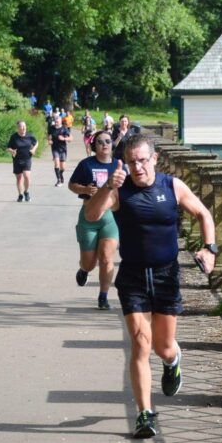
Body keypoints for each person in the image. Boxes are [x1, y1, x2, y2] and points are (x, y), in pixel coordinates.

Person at [85, 134, 217, 439]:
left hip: (166, 275)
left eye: (143, 160)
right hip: (132, 276)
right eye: (131, 162)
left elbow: (203, 214)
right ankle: (145, 414)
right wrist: (109, 186)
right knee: (141, 344)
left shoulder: (172, 186)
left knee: (163, 347)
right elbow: (91, 216)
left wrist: (210, 248)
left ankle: (173, 361)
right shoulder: (119, 190)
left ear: (154, 159)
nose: (137, 167)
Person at [68, 131, 123, 310]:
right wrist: (84, 189)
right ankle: (84, 270)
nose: (104, 144)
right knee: (89, 262)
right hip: (89, 215)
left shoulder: (119, 166)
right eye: (100, 142)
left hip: (111, 217)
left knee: (107, 258)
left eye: (108, 141)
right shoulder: (86, 164)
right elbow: (72, 185)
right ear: (94, 146)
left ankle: (103, 296)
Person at [7, 120, 38, 202]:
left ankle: (26, 192)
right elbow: (8, 148)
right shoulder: (14, 137)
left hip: (27, 159)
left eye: (24, 126)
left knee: (27, 176)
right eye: (21, 126)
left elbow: (36, 142)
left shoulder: (30, 136)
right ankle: (20, 195)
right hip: (17, 160)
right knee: (19, 179)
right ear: (18, 128)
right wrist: (12, 151)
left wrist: (33, 150)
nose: (23, 128)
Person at [48, 115, 73, 187]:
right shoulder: (51, 128)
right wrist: (49, 140)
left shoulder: (64, 128)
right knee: (56, 163)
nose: (56, 122)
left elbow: (71, 138)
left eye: (57, 121)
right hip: (55, 149)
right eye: (55, 121)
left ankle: (60, 174)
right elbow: (49, 136)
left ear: (60, 121)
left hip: (63, 149)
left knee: (63, 167)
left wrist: (64, 139)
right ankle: (58, 180)